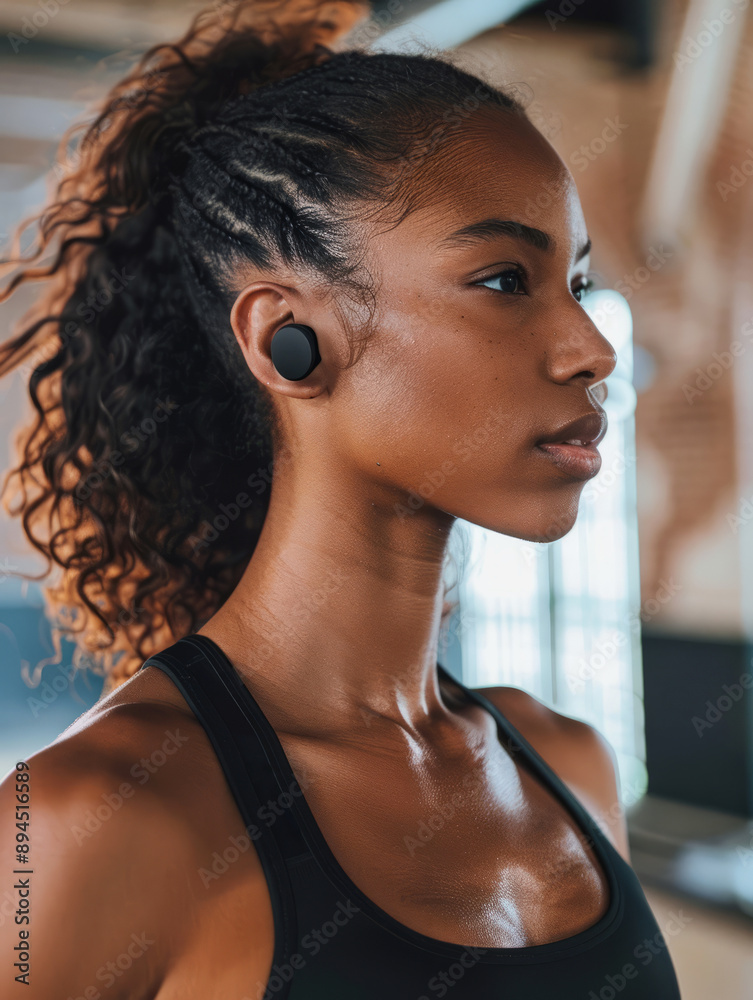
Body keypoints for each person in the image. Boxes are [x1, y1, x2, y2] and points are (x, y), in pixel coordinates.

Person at [0, 1, 682, 997]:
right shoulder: (86, 817)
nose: (591, 348)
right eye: (504, 280)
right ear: (288, 337)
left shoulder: (571, 767)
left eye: (576, 284)